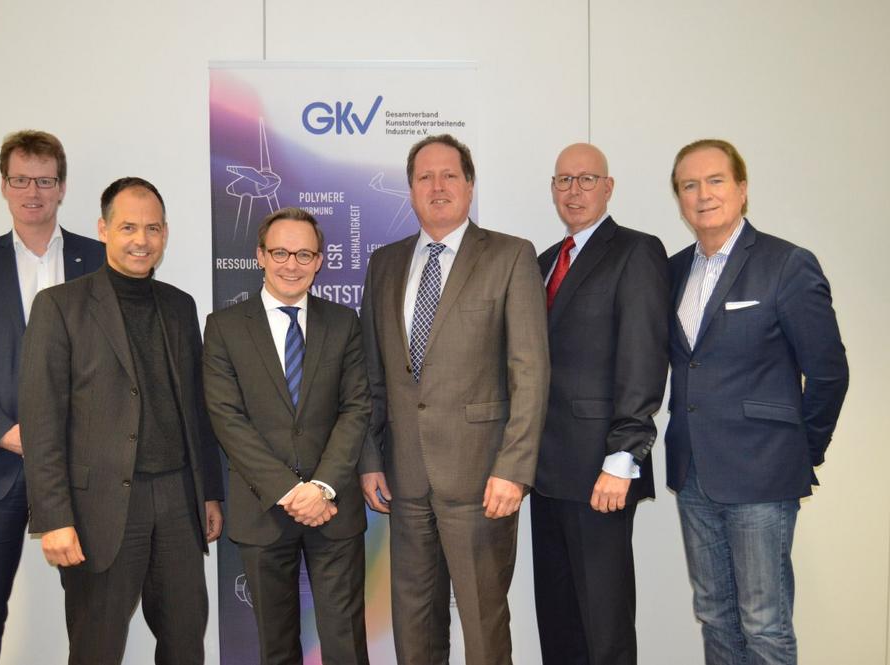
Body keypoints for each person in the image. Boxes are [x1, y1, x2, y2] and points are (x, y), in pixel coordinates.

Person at [358, 134, 549, 665]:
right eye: (425, 177)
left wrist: (513, 469)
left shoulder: (510, 256)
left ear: (469, 184)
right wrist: (370, 459)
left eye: (449, 175)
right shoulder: (384, 263)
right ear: (411, 190)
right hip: (404, 479)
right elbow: (371, 375)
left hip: (483, 478)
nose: (437, 186)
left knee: (483, 625)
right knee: (413, 625)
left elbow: (530, 372)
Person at [18, 177, 225, 665]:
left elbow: (196, 408)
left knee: (185, 642)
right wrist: (55, 518)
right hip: (102, 510)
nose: (141, 240)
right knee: (97, 647)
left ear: (165, 233)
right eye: (128, 227)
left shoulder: (180, 306)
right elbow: (41, 420)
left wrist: (209, 492)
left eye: (152, 228)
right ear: (103, 229)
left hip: (177, 500)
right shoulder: (59, 306)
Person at [666, 139, 849, 664]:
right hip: (693, 473)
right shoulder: (673, 270)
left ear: (742, 189)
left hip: (763, 474)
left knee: (764, 624)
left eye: (715, 180)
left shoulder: (786, 264)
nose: (703, 195)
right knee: (714, 614)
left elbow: (829, 373)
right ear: (679, 199)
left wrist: (799, 451)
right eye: (689, 185)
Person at [0, 130, 105, 665]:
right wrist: (8, 434)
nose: (33, 192)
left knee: (92, 616)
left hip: (82, 467)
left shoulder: (99, 260)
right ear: (4, 185)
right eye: (21, 180)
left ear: (62, 187)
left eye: (45, 181)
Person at [203, 207, 372, 664]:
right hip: (263, 509)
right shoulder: (224, 327)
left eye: (303, 254)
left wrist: (321, 488)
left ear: (319, 261)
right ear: (260, 255)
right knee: (276, 647)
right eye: (280, 252)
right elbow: (227, 418)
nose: (291, 264)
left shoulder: (343, 323)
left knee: (346, 645)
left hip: (332, 508)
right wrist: (290, 491)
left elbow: (356, 408)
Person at [532, 143, 670, 665]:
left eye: (587, 179)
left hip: (601, 473)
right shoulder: (545, 261)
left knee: (604, 624)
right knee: (558, 619)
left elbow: (643, 357)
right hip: (544, 473)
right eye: (564, 180)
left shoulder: (636, 251)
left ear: (608, 188)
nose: (574, 190)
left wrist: (624, 456)